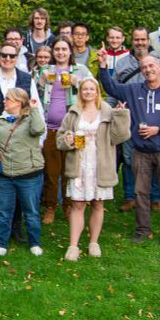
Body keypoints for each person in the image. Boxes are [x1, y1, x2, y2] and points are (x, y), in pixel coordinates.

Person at [99, 51, 160, 248]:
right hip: (141, 150)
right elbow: (111, 87)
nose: (148, 70)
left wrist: (159, 129)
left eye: (151, 66)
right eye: (144, 67)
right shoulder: (133, 90)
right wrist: (103, 66)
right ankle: (142, 230)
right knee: (140, 193)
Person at [56, 79, 131, 260]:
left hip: (100, 163)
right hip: (79, 163)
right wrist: (68, 140)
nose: (88, 92)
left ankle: (94, 242)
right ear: (80, 92)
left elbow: (120, 137)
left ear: (97, 91)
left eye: (92, 89)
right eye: (85, 89)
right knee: (78, 204)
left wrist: (121, 115)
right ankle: (73, 246)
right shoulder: (73, 112)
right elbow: (60, 138)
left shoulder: (107, 111)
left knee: (98, 204)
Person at [0, 43, 39, 244]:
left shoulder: (26, 79)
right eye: (4, 55)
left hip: (22, 139)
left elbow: (36, 107)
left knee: (21, 183)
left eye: (12, 56)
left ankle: (16, 226)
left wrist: (39, 140)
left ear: (16, 58)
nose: (7, 59)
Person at [36, 36, 94, 224]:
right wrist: (41, 82)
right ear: (53, 52)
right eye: (57, 49)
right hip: (50, 129)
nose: (60, 53)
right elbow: (33, 96)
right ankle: (50, 206)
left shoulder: (80, 69)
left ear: (70, 51)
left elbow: (93, 91)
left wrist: (78, 83)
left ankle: (70, 206)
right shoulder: (45, 70)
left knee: (73, 169)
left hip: (75, 129)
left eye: (64, 49)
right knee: (51, 172)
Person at [111, 28, 160, 212]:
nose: (140, 43)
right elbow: (113, 89)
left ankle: (155, 197)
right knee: (129, 159)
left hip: (154, 119)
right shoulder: (122, 63)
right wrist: (110, 111)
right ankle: (131, 196)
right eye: (136, 39)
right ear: (132, 41)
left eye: (143, 39)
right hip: (129, 119)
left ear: (148, 41)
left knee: (154, 158)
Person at [0, 89, 45, 256]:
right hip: (4, 175)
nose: (4, 101)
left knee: (31, 212)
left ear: (19, 102)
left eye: (8, 99)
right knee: (3, 212)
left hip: (29, 175)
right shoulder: (0, 120)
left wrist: (34, 109)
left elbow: (39, 130)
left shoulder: (31, 118)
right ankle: (1, 243)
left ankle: (35, 243)